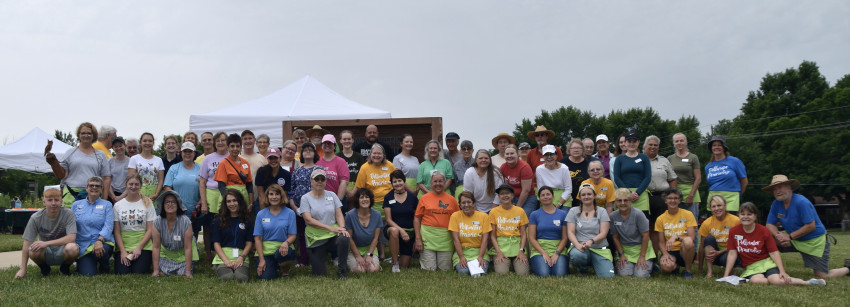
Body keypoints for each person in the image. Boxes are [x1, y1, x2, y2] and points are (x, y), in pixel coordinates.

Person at [763, 174, 850, 278]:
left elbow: (811, 226)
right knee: (766, 238)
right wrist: (778, 236)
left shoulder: (801, 202)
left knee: (822, 276)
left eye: (780, 187)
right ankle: (768, 270)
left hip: (814, 242)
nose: (777, 191)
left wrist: (789, 237)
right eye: (774, 189)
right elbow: (769, 224)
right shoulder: (776, 204)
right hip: (794, 239)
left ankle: (848, 268)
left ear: (789, 187)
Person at [724, 202, 826, 286]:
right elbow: (732, 254)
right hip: (751, 267)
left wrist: (782, 271)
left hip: (767, 263)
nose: (745, 217)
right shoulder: (734, 231)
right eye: (742, 214)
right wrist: (726, 275)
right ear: (739, 215)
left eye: (749, 214)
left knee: (778, 281)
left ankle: (808, 282)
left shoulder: (763, 230)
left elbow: (774, 252)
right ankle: (767, 278)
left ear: (755, 216)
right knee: (759, 282)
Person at [297, 169, 351, 278]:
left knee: (344, 238)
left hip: (332, 236)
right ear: (311, 181)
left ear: (326, 181)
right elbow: (308, 220)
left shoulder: (332, 195)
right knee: (319, 274)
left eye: (322, 179)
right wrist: (331, 228)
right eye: (317, 179)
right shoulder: (305, 198)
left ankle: (342, 271)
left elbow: (339, 214)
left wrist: (342, 228)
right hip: (315, 238)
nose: (319, 181)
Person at [15, 188, 78, 278]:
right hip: (45, 252)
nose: (53, 203)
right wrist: (23, 269)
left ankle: (64, 268)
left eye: (56, 200)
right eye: (49, 200)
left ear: (61, 202)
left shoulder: (69, 214)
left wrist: (46, 243)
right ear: (44, 202)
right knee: (33, 250)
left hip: (63, 250)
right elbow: (27, 242)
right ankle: (45, 268)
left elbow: (71, 238)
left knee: (73, 248)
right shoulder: (35, 217)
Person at [46, 122, 111, 207]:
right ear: (78, 135)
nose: (86, 135)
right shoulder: (70, 152)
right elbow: (63, 175)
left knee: (91, 220)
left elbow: (106, 178)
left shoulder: (100, 154)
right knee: (70, 220)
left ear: (93, 135)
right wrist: (54, 164)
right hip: (71, 194)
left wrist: (104, 199)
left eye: (89, 133)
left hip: (93, 193)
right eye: (83, 133)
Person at [414, 171, 460, 271]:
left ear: (445, 183)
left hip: (446, 239)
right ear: (431, 183)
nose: (438, 184)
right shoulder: (424, 198)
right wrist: (418, 238)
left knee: (445, 269)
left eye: (440, 181)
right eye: (435, 181)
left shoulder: (452, 199)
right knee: (429, 269)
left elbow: (458, 219)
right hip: (428, 237)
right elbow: (417, 218)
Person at [566, 183, 614, 278]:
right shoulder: (573, 211)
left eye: (589, 194)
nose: (586, 197)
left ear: (594, 196)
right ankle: (582, 270)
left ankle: (598, 264)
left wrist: (591, 241)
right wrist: (577, 245)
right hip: (581, 248)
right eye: (583, 195)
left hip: (599, 249)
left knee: (608, 276)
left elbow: (604, 233)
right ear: (579, 197)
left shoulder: (602, 211)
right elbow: (570, 232)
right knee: (577, 255)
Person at [113, 174, 156, 274]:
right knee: (122, 273)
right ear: (126, 185)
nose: (133, 187)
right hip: (124, 243)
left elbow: (150, 229)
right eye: (130, 184)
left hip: (143, 244)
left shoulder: (148, 203)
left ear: (140, 186)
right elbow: (117, 231)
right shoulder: (118, 205)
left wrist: (139, 248)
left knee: (139, 272)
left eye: (136, 184)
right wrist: (123, 251)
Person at [288, 142, 322, 266]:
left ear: (315, 153)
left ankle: (315, 260)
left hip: (314, 208)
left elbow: (321, 188)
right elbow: (291, 191)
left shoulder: (319, 170)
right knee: (301, 235)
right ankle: (303, 260)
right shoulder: (297, 171)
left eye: (310, 150)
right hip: (298, 209)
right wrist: (294, 207)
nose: (307, 152)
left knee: (315, 234)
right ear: (301, 154)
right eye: (305, 150)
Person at [72, 176, 114, 276]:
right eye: (91, 185)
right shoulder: (76, 205)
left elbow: (108, 226)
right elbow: (71, 225)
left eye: (97, 186)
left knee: (105, 249)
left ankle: (104, 265)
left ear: (101, 189)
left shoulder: (107, 205)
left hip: (102, 242)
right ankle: (85, 263)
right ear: (86, 188)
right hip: (83, 245)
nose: (94, 188)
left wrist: (100, 240)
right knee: (89, 274)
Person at [254, 186, 298, 280]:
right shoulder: (261, 214)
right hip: (266, 250)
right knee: (266, 278)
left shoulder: (290, 213)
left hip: (283, 248)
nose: (274, 197)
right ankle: (274, 267)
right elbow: (257, 239)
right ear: (267, 196)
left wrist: (286, 243)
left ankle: (285, 271)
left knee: (282, 254)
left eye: (277, 194)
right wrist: (261, 260)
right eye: (271, 194)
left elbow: (293, 235)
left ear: (281, 196)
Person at [610, 188, 655, 278]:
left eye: (625, 200)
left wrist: (642, 256)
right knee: (624, 274)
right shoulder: (613, 216)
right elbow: (615, 237)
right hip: (626, 251)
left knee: (640, 276)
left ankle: (649, 264)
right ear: (616, 202)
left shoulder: (638, 214)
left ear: (630, 201)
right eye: (619, 201)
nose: (622, 203)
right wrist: (621, 254)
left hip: (642, 249)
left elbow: (646, 235)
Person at [211, 188, 254, 282]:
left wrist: (241, 257)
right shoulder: (219, 220)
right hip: (223, 257)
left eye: (235, 200)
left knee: (241, 278)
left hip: (241, 256)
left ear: (240, 201)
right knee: (227, 278)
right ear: (225, 204)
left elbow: (249, 242)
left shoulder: (247, 220)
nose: (232, 204)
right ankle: (219, 267)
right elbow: (216, 243)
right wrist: (226, 260)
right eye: (228, 201)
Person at [151, 191, 197, 278]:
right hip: (167, 255)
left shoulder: (186, 221)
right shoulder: (157, 221)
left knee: (182, 273)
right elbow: (156, 247)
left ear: (178, 205)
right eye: (167, 202)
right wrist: (155, 271)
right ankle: (160, 270)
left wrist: (188, 272)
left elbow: (188, 248)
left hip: (184, 254)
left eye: (173, 202)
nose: (170, 204)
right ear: (163, 205)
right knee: (161, 270)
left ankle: (184, 269)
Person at [644, 135, 677, 251]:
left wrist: (672, 196)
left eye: (655, 145)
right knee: (648, 228)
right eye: (650, 145)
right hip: (645, 197)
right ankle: (650, 257)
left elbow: (672, 178)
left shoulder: (664, 160)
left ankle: (662, 255)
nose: (653, 147)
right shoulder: (639, 159)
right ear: (644, 146)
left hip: (662, 197)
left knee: (660, 228)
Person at [198, 131, 228, 259]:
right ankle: (209, 253)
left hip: (226, 193)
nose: (220, 143)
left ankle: (225, 250)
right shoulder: (208, 158)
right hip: (210, 193)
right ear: (215, 144)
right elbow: (202, 182)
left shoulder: (231, 157)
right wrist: (204, 202)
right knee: (209, 225)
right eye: (218, 141)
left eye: (223, 140)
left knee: (225, 223)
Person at [655, 188, 697, 278]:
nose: (673, 201)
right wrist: (665, 254)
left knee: (688, 241)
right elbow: (661, 242)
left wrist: (676, 237)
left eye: (675, 198)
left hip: (684, 250)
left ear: (679, 200)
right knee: (666, 267)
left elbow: (692, 237)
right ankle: (675, 266)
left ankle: (688, 270)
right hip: (670, 251)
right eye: (670, 198)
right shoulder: (660, 219)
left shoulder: (688, 214)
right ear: (665, 200)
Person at [489, 184, 530, 275]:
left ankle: (516, 260)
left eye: (507, 193)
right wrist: (498, 252)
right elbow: (492, 235)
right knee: (501, 273)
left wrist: (521, 251)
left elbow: (523, 234)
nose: (505, 196)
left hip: (517, 244)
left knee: (523, 273)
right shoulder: (494, 212)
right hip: (501, 245)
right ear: (499, 197)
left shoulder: (520, 211)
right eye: (502, 194)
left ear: (512, 196)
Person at [528, 186, 569, 277]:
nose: (546, 197)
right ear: (539, 198)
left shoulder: (562, 214)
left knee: (559, 274)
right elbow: (531, 237)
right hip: (540, 249)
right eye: (543, 195)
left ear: (553, 196)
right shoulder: (534, 214)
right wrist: (543, 253)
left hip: (558, 248)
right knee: (544, 274)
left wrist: (557, 253)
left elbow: (565, 237)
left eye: (548, 194)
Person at [448, 191, 491, 276]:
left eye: (469, 202)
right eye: (463, 203)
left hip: (479, 251)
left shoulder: (484, 217)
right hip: (463, 251)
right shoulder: (455, 216)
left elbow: (485, 239)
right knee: (464, 272)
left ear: (474, 203)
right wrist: (461, 257)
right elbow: (456, 239)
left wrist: (481, 256)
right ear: (459, 205)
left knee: (481, 271)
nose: (466, 205)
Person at [163, 142, 201, 237]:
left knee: (192, 236)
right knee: (176, 235)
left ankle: (193, 251)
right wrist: (174, 202)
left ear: (194, 153)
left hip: (194, 210)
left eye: (190, 151)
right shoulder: (174, 168)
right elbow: (167, 187)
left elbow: (204, 187)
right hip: (177, 210)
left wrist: (200, 203)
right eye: (185, 151)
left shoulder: (200, 168)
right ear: (180, 153)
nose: (187, 154)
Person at [698, 195, 740, 278]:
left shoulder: (736, 221)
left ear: (725, 206)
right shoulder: (707, 223)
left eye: (719, 205)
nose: (717, 208)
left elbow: (738, 244)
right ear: (711, 209)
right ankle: (709, 272)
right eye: (714, 206)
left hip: (730, 252)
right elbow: (702, 246)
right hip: (713, 254)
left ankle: (731, 271)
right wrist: (700, 268)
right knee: (708, 238)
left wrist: (719, 252)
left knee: (726, 257)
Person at [384, 170, 418, 272]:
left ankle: (398, 258)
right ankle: (395, 263)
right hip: (393, 230)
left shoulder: (413, 197)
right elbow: (388, 219)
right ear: (392, 183)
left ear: (404, 181)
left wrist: (417, 237)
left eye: (399, 180)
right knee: (394, 231)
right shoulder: (388, 197)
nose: (397, 183)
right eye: (394, 181)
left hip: (409, 232)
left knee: (404, 264)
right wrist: (401, 231)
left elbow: (417, 218)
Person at [705, 135, 747, 214]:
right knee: (715, 224)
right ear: (711, 148)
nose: (716, 147)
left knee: (730, 224)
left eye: (719, 145)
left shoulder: (735, 161)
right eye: (714, 145)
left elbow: (744, 181)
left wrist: (738, 194)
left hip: (731, 198)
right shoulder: (708, 166)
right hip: (714, 198)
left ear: (724, 147)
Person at [613, 131, 651, 217]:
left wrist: (637, 193)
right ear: (625, 143)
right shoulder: (619, 159)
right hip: (624, 195)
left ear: (638, 142)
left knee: (642, 223)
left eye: (634, 141)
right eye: (629, 141)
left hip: (641, 195)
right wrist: (629, 193)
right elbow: (617, 178)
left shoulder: (644, 157)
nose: (632, 144)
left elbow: (648, 177)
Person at [345, 189, 382, 273]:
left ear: (370, 199)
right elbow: (349, 238)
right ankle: (347, 260)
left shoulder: (377, 215)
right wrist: (357, 256)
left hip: (369, 248)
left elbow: (375, 238)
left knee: (373, 269)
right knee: (359, 270)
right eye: (361, 197)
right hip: (353, 249)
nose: (364, 199)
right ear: (357, 200)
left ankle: (369, 258)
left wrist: (369, 255)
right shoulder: (350, 215)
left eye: (367, 197)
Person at [668, 133, 702, 224]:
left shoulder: (693, 157)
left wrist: (691, 196)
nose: (679, 143)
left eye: (681, 140)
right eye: (677, 141)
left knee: (692, 223)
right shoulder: (670, 158)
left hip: (691, 192)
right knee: (678, 223)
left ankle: (693, 239)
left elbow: (698, 178)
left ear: (686, 142)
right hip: (676, 193)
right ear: (674, 143)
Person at [355, 143, 396, 217]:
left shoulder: (390, 165)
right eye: (374, 153)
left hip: (391, 202)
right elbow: (360, 188)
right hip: (372, 204)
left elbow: (396, 181)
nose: (376, 155)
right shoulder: (364, 167)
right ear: (370, 154)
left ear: (383, 155)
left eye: (379, 153)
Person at [214, 133, 254, 208]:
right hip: (229, 199)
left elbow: (249, 185)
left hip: (243, 197)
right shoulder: (223, 163)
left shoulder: (245, 163)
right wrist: (228, 201)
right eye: (232, 146)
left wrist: (251, 203)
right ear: (228, 147)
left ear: (241, 148)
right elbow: (221, 186)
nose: (235, 149)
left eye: (238, 146)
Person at [500, 145, 536, 218]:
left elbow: (526, 190)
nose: (509, 156)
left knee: (521, 218)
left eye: (512, 153)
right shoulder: (503, 167)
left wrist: (517, 208)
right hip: (511, 198)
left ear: (517, 154)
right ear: (504, 155)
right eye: (507, 154)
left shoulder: (524, 167)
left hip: (527, 198)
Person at [127, 132, 164, 202]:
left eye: (150, 141)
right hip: (138, 195)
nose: (147, 143)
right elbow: (131, 179)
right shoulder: (134, 159)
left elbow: (160, 180)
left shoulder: (159, 160)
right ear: (140, 142)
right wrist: (139, 194)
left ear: (153, 143)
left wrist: (156, 194)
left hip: (154, 196)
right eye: (145, 141)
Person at [255, 148, 292, 212]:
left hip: (279, 204)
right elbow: (260, 194)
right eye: (270, 158)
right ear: (267, 159)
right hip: (263, 204)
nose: (273, 160)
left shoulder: (286, 174)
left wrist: (278, 211)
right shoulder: (261, 171)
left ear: (280, 158)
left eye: (275, 158)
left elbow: (284, 195)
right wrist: (264, 213)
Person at [317, 134, 350, 201]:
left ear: (334, 146)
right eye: (325, 143)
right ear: (321, 146)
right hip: (319, 200)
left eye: (330, 143)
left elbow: (344, 182)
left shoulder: (341, 161)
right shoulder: (317, 162)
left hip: (337, 199)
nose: (327, 145)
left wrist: (337, 201)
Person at [560, 138, 591, 207]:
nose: (576, 150)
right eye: (573, 148)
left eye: (579, 148)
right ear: (569, 150)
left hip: (583, 199)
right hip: (565, 199)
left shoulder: (588, 164)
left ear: (583, 150)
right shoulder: (562, 163)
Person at [240, 130, 267, 204]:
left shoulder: (262, 158)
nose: (248, 141)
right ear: (241, 141)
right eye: (245, 139)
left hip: (259, 199)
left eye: (250, 138)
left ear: (254, 140)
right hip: (242, 199)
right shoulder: (237, 158)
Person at [338, 130, 364, 196]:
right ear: (340, 141)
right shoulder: (337, 157)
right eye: (344, 139)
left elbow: (361, 175)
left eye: (349, 139)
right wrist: (346, 191)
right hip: (341, 188)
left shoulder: (359, 156)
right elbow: (336, 176)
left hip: (357, 189)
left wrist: (353, 192)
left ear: (352, 140)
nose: (347, 141)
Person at [107, 136, 130, 203]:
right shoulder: (109, 162)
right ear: (113, 148)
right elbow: (107, 180)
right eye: (116, 147)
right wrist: (113, 196)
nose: (118, 148)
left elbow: (131, 180)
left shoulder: (131, 161)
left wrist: (121, 197)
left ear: (125, 145)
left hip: (127, 194)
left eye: (120, 146)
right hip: (112, 194)